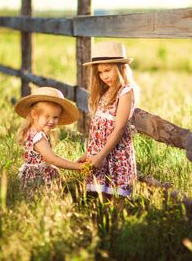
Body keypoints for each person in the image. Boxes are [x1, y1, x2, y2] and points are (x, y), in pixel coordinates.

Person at [79, 41, 139, 199]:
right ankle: (102, 221)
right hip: (99, 153)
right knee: (100, 194)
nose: (104, 76)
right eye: (100, 72)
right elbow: (98, 130)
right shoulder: (106, 92)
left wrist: (101, 155)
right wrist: (89, 154)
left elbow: (119, 128)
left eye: (108, 70)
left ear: (120, 68)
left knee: (116, 196)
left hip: (114, 153)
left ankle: (118, 222)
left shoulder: (125, 92)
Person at [15, 86, 83, 197]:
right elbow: (53, 159)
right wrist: (78, 167)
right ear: (35, 115)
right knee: (41, 200)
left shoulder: (32, 131)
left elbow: (51, 156)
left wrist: (74, 163)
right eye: (47, 116)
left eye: (55, 117)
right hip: (39, 177)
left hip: (34, 175)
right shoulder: (39, 137)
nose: (51, 121)